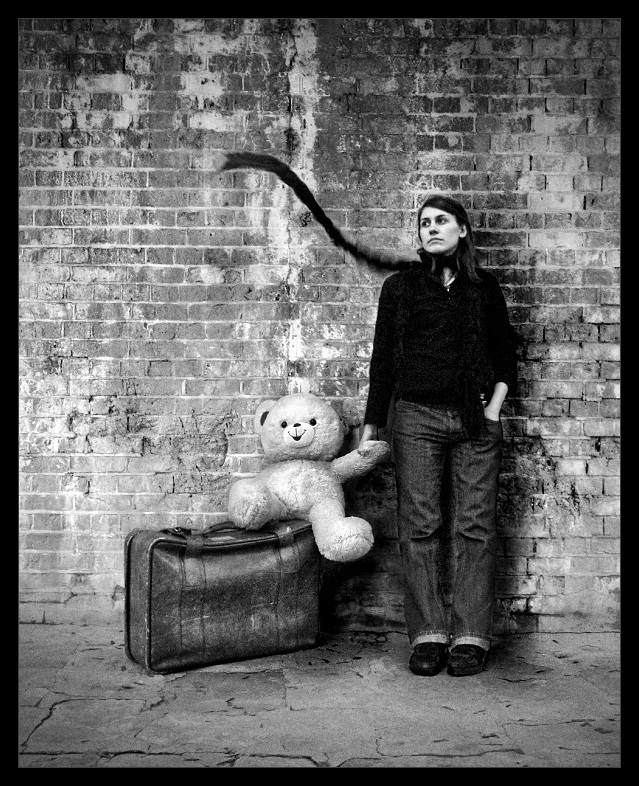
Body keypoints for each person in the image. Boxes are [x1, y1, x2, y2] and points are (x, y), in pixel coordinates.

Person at [359, 194, 518, 677]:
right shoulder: (400, 288)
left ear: (462, 230)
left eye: (441, 220)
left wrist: (492, 409)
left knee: (475, 527)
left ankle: (471, 637)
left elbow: (506, 355)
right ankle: (428, 635)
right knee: (420, 526)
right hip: (415, 419)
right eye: (424, 222)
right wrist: (370, 428)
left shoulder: (484, 288)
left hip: (475, 421)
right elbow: (383, 360)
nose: (431, 228)